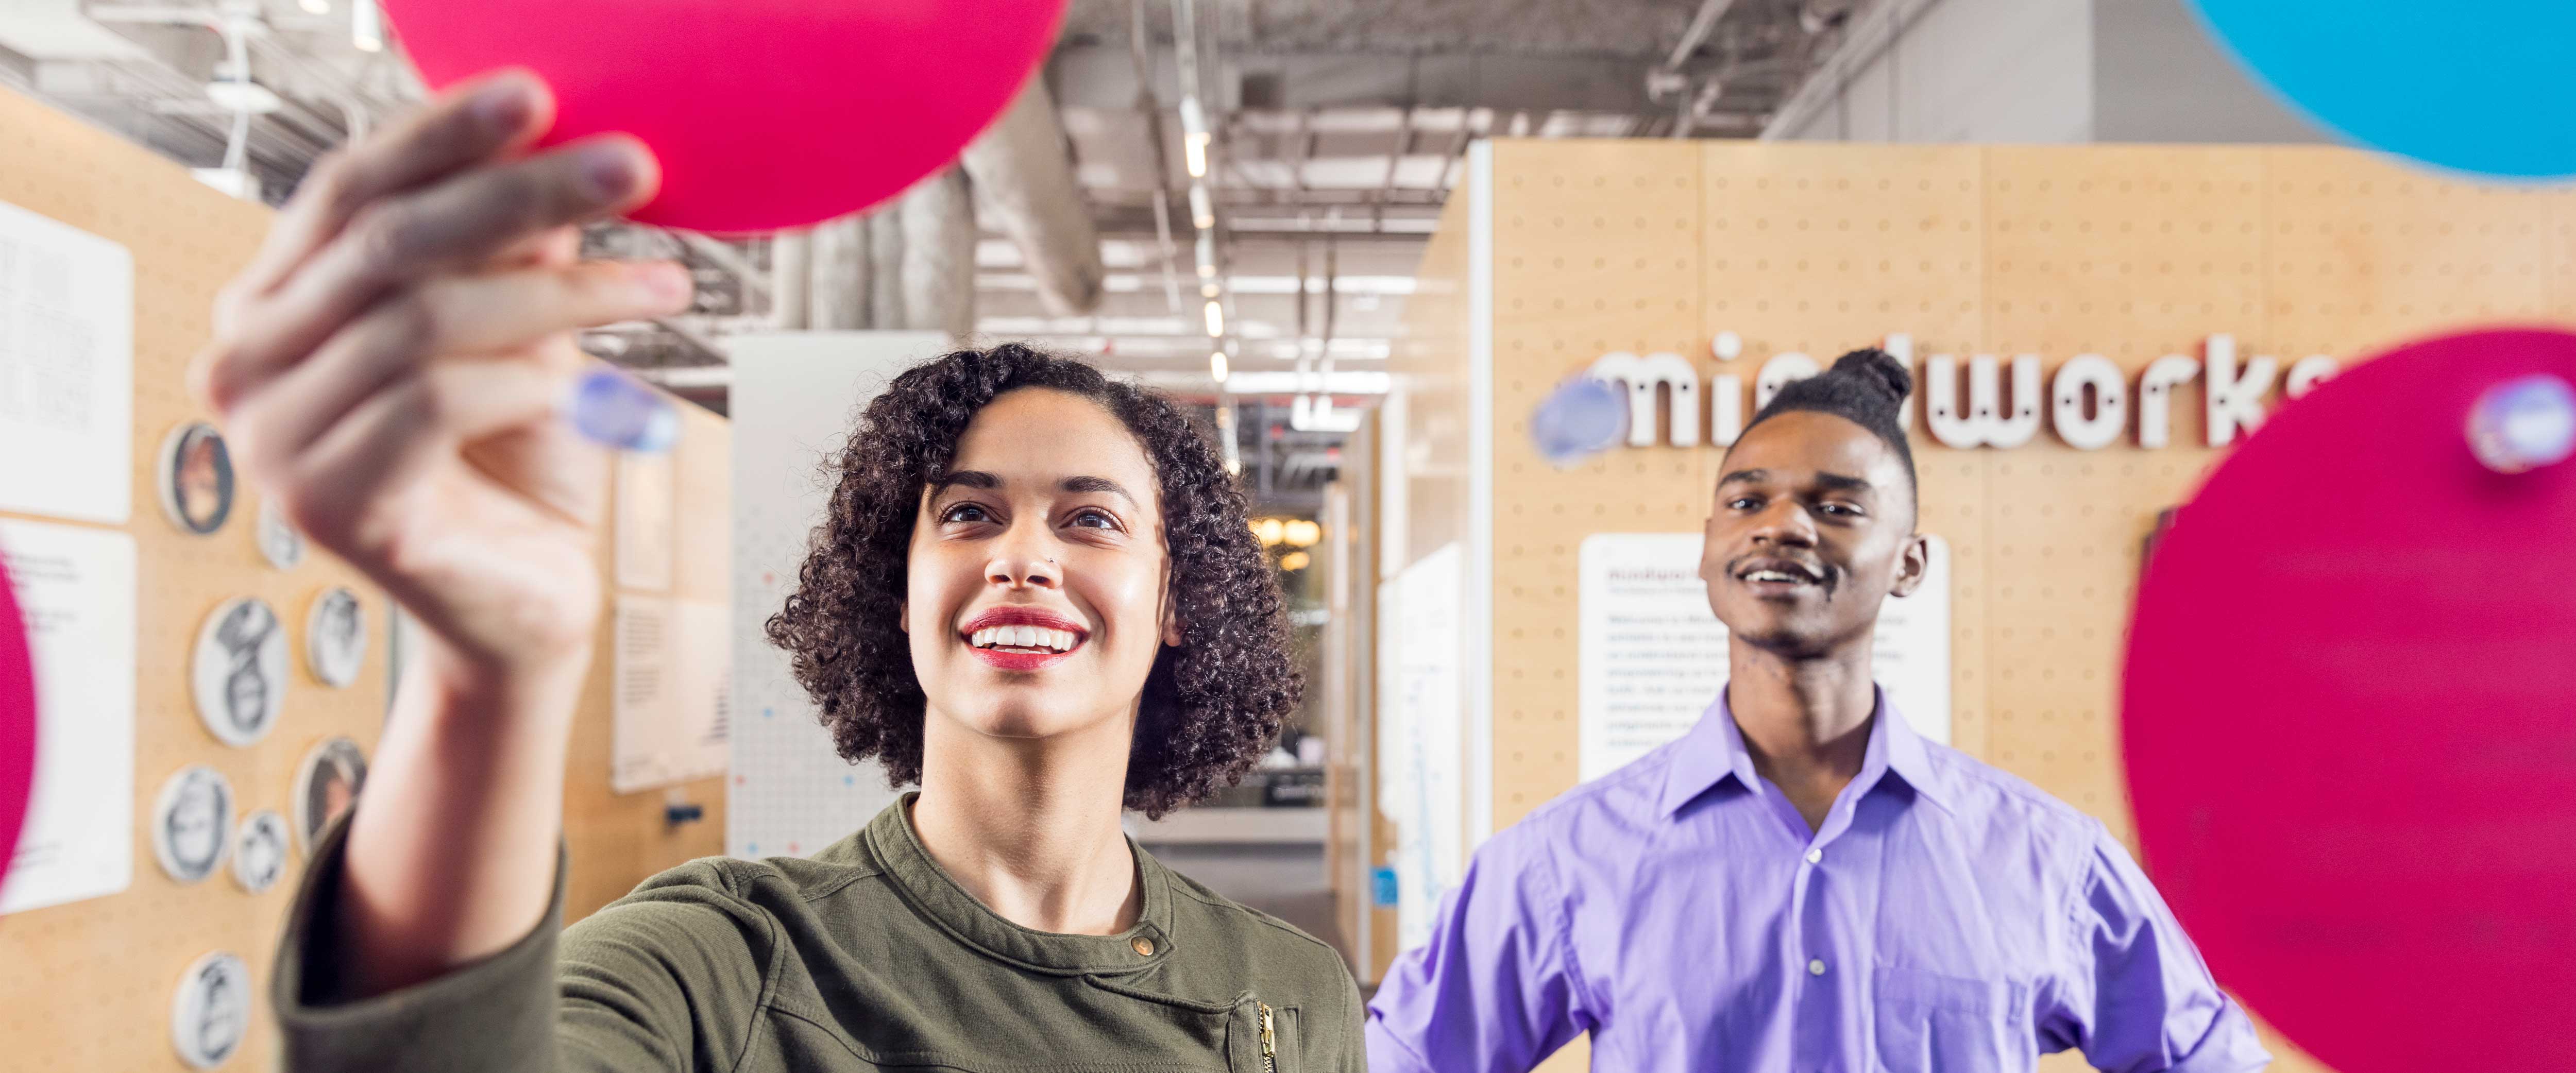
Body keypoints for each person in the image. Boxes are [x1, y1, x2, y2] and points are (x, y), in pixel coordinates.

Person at [197, 71, 1360, 1071]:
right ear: (898, 592)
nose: (1020, 555)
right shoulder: (728, 958)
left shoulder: (1285, 992)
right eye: (966, 513)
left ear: (1175, 602)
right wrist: (487, 674)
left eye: (1091, 520)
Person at [1365, 351, 2269, 1072]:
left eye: (1836, 506)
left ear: (1909, 564)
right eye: (1747, 500)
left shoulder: (2046, 861)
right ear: (1710, 548)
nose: (1782, 525)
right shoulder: (1568, 861)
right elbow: (1396, 1058)